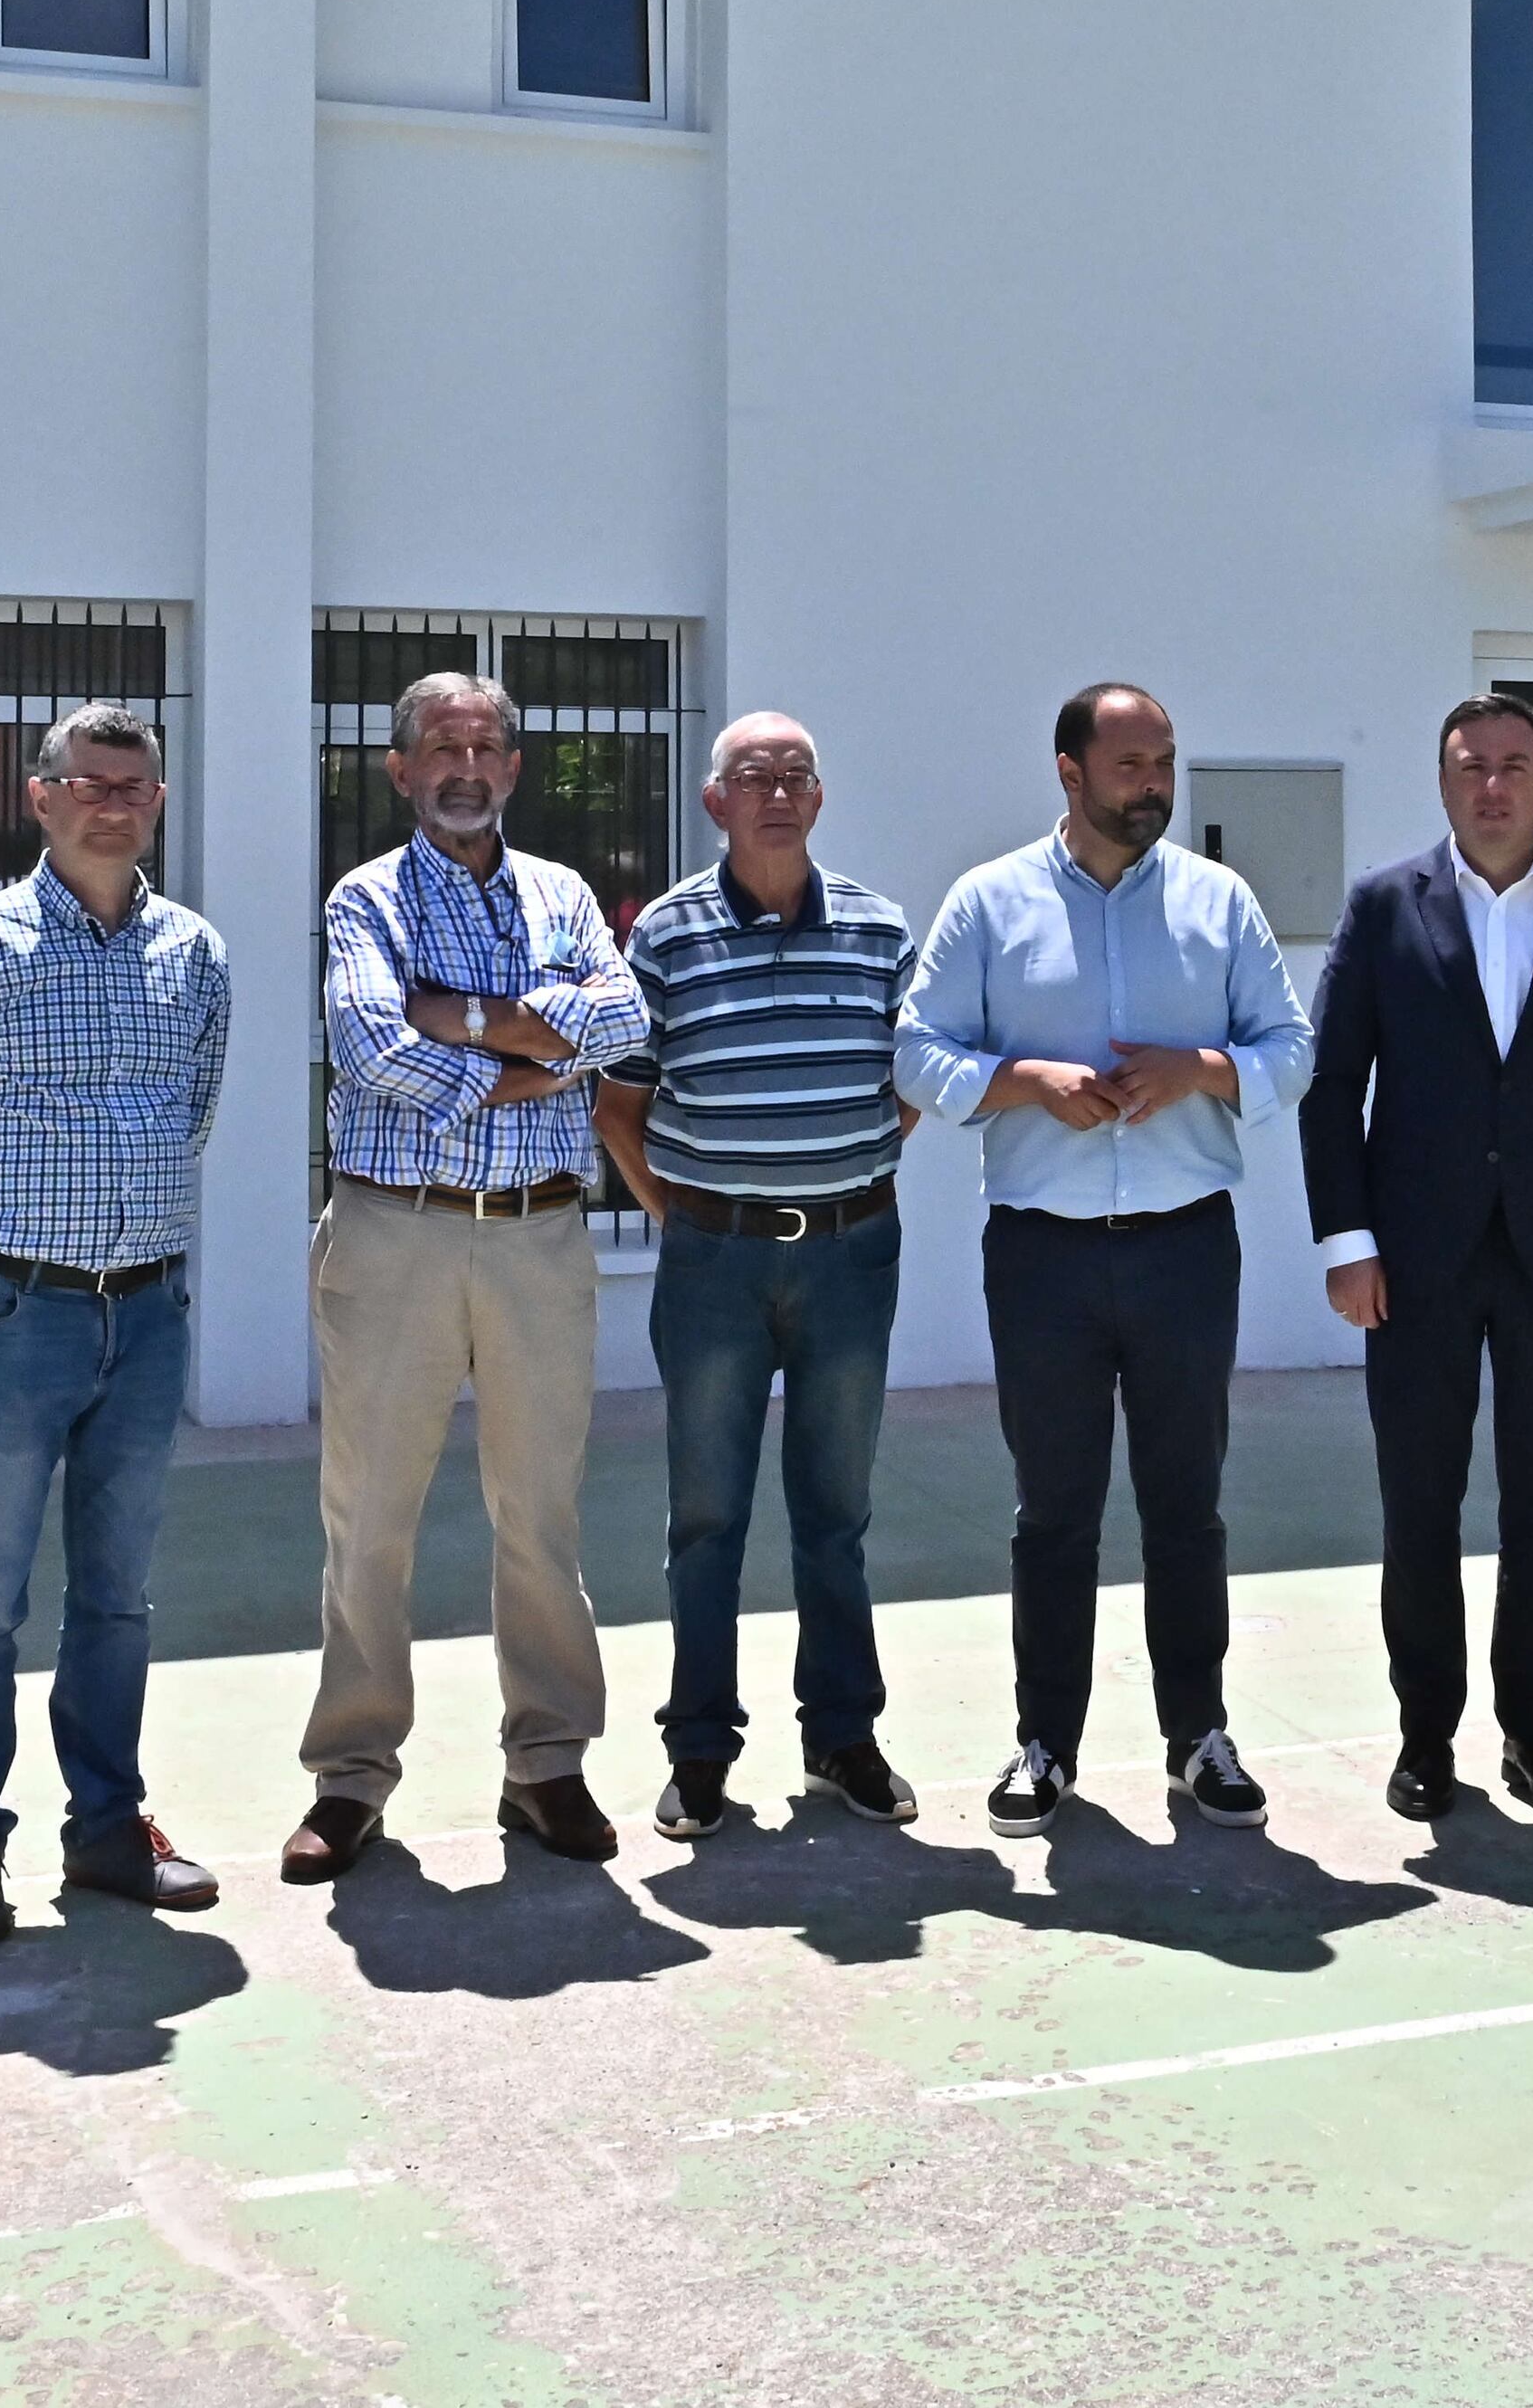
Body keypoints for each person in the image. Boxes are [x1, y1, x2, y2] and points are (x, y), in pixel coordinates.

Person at [895, 683, 1316, 1841]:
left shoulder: (1217, 902)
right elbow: (916, 1050)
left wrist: (1204, 1069)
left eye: (1165, 763)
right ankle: (1047, 1745)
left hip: (1186, 1245)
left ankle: (1198, 1738)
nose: (1153, 786)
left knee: (1187, 1506)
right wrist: (1020, 1083)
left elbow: (1293, 1049)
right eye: (1130, 765)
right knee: (1054, 1512)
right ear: (1069, 774)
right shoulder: (988, 903)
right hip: (1042, 1255)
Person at [0, 702, 231, 1950]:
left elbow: (192, 1114)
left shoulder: (195, 954)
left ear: (159, 803)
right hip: (11, 1312)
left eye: (134, 785)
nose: (112, 802)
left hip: (148, 1310)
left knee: (118, 1595)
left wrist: (126, 1248)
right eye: (89, 781)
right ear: (41, 796)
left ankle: (107, 1831)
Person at [286, 671, 648, 1884]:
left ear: (514, 769)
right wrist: (536, 1058)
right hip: (397, 1237)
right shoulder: (365, 899)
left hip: (540, 1240)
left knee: (539, 1517)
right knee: (370, 1521)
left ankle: (547, 1763)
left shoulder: (562, 894)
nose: (464, 768)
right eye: (440, 748)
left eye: (486, 747)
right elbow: (372, 1045)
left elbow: (622, 1018)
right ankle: (351, 1777)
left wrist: (473, 1018)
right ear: (398, 771)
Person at [1301, 693, 1533, 1822]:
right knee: (1419, 1503)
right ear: (1445, 780)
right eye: (1471, 766)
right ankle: (1425, 1733)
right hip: (1413, 1258)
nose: (1493, 786)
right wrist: (1346, 1242)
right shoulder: (1382, 906)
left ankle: (1532, 1724)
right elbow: (1330, 1086)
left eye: (1514, 766)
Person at [589, 712, 923, 1845]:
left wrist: (849, 1176)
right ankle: (698, 1750)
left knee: (835, 1514)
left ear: (819, 799)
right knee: (707, 1517)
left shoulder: (879, 931)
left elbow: (912, 1078)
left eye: (794, 777)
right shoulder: (666, 938)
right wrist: (679, 1212)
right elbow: (618, 1104)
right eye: (752, 777)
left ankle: (841, 1735)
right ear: (712, 800)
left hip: (848, 1255)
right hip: (713, 1264)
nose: (775, 793)